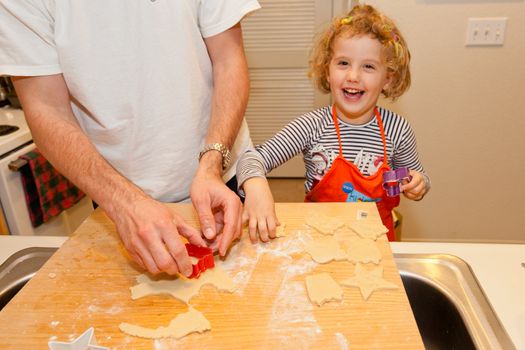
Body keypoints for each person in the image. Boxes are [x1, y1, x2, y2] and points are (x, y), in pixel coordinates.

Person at [0, 0, 261, 276]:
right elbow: (45, 107)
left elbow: (228, 59)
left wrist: (211, 164)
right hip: (116, 193)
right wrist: (124, 204)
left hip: (219, 174)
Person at [237, 4, 430, 242]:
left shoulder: (398, 130)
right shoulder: (312, 126)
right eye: (343, 63)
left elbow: (418, 176)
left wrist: (417, 184)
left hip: (377, 246)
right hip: (319, 242)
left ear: (388, 79)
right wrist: (255, 186)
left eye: (368, 66)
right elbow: (250, 158)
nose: (353, 76)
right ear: (327, 71)